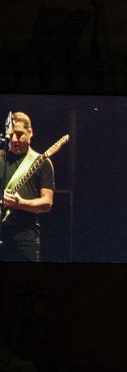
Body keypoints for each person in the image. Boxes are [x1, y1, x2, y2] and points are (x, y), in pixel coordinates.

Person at [0, 111, 55, 263]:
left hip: (25, 234)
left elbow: (47, 203)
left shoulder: (42, 162)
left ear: (30, 132)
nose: (15, 140)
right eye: (11, 135)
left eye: (20, 134)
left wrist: (20, 204)